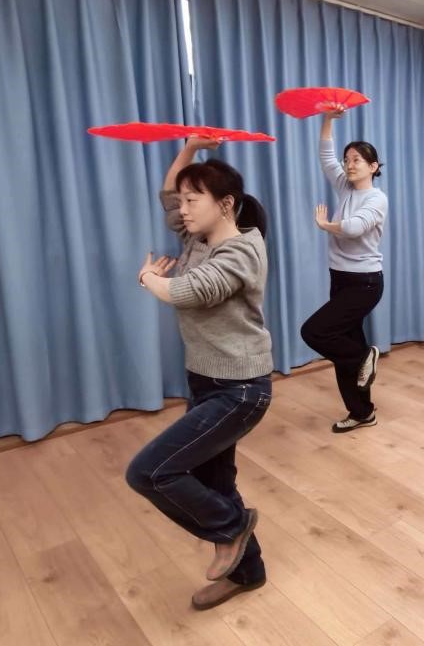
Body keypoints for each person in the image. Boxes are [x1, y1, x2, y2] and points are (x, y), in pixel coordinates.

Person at [126, 136, 274, 610]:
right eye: (184, 201)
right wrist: (189, 149)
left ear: (225, 204)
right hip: (206, 381)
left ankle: (232, 527)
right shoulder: (198, 237)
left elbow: (188, 292)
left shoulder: (241, 252)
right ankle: (248, 572)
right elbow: (168, 195)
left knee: (148, 472)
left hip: (240, 390)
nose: (183, 209)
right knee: (216, 484)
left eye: (194, 200)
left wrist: (148, 277)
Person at [300, 109, 388, 433]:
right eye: (347, 159)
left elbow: (353, 228)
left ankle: (364, 357)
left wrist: (327, 225)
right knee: (342, 346)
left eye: (357, 160)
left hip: (365, 283)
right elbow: (326, 157)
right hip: (340, 278)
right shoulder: (345, 188)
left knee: (315, 332)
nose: (349, 165)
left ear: (373, 167)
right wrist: (327, 119)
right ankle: (362, 412)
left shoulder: (377, 198)